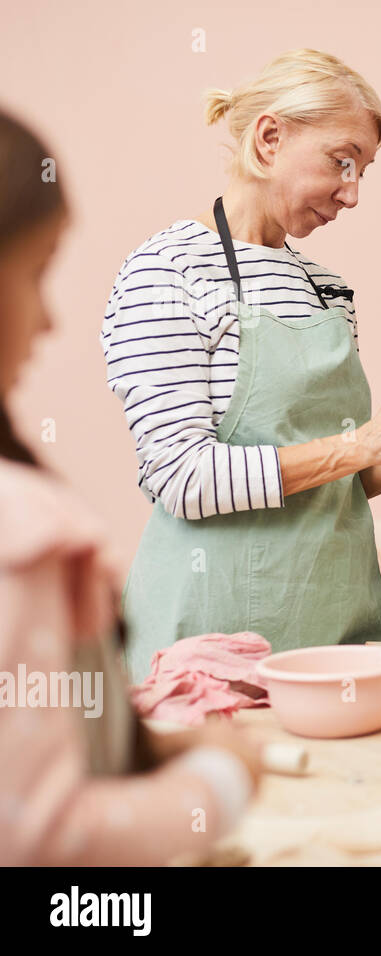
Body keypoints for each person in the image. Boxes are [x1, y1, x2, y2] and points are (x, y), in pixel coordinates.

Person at [99, 50, 381, 679]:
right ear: (270, 138)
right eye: (342, 161)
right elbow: (185, 480)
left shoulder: (326, 288)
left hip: (343, 630)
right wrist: (361, 441)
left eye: (363, 171)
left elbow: (331, 479)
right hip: (213, 645)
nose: (353, 193)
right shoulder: (167, 272)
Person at [1, 107, 263, 865]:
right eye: (36, 271)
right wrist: (222, 779)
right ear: (268, 140)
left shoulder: (326, 288)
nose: (50, 321)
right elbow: (39, 837)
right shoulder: (19, 527)